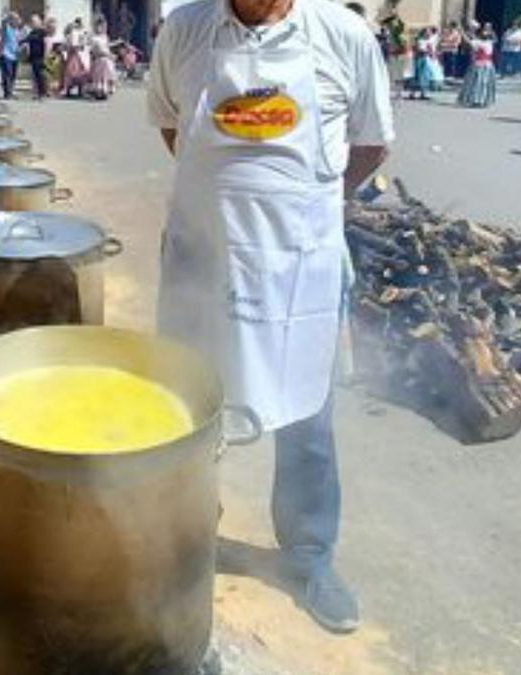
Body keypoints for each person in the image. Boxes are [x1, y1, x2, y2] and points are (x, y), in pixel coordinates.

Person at [148, 0, 393, 636]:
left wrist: (298, 203)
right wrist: (223, 201)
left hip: (296, 269)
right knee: (186, 409)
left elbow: (370, 143)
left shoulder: (344, 35)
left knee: (306, 413)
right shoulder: (184, 30)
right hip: (202, 257)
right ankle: (185, 538)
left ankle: (310, 557)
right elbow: (172, 125)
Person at [458, 27, 497, 107]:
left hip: (483, 64)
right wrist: (462, 33)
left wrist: (462, 33)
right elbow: (469, 40)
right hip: (483, 64)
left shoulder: (484, 43)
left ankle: (479, 100)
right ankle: (479, 100)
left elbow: (468, 41)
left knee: (479, 83)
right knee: (481, 83)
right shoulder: (484, 42)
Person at [87, 19, 117, 100]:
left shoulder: (105, 37)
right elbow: (95, 50)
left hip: (106, 58)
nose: (102, 28)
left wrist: (111, 55)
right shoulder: (93, 38)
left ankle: (105, 89)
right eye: (100, 26)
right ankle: (99, 90)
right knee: (103, 65)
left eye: (104, 26)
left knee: (108, 66)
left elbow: (107, 48)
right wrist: (108, 55)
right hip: (99, 59)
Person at [23, 15, 49, 100]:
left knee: (40, 75)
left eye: (34, 22)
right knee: (35, 75)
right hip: (33, 56)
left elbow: (46, 43)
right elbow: (26, 40)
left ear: (39, 22)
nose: (32, 23)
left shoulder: (42, 32)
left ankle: (42, 93)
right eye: (32, 22)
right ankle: (37, 93)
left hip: (40, 56)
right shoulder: (32, 32)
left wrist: (45, 55)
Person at [62, 19, 90, 97]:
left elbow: (85, 45)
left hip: (80, 56)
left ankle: (80, 89)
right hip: (72, 56)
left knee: (81, 72)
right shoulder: (69, 36)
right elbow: (65, 46)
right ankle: (68, 90)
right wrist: (70, 46)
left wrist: (82, 44)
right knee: (71, 73)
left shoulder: (83, 34)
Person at [408, 28, 436, 99]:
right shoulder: (419, 40)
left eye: (430, 33)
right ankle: (412, 93)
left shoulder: (428, 41)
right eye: (428, 33)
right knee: (417, 75)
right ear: (424, 33)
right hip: (419, 58)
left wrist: (432, 54)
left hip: (425, 59)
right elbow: (418, 49)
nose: (429, 34)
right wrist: (427, 51)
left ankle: (423, 93)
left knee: (425, 76)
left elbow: (431, 50)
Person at [0, 13, 21, 99]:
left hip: (15, 55)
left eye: (17, 20)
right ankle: (7, 93)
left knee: (13, 75)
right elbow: (3, 22)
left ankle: (11, 91)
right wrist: (8, 16)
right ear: (11, 20)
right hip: (6, 54)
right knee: (7, 74)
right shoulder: (7, 29)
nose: (17, 21)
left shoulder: (17, 31)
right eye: (15, 19)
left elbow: (17, 42)